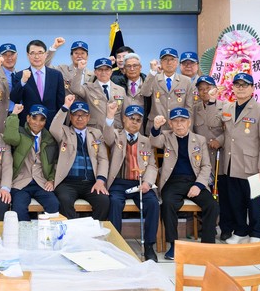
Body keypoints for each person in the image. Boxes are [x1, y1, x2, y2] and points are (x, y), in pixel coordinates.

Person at [150, 107, 218, 260]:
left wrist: (198, 185)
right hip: (172, 181)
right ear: (170, 124)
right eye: (175, 121)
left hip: (194, 181)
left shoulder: (199, 139)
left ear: (189, 122)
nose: (179, 124)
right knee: (168, 204)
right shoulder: (166, 136)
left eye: (182, 121)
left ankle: (208, 246)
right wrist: (156, 127)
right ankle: (174, 245)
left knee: (212, 205)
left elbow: (206, 166)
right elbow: (154, 141)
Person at [218, 73, 260, 245]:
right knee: (236, 201)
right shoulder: (227, 107)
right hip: (231, 163)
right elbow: (225, 132)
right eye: (237, 85)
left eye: (245, 85)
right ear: (233, 88)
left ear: (252, 88)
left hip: (251, 164)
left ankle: (256, 233)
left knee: (253, 202)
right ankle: (240, 230)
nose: (240, 88)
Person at [103, 104, 159, 262]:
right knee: (114, 202)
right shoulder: (116, 135)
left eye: (138, 120)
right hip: (119, 183)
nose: (134, 122)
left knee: (153, 203)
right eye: (131, 118)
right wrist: (110, 116)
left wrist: (148, 183)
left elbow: (152, 165)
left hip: (140, 183)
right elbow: (107, 136)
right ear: (124, 119)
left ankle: (149, 245)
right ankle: (115, 243)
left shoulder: (146, 141)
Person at [50, 95, 110, 220]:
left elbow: (103, 159)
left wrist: (100, 180)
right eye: (76, 115)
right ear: (70, 117)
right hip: (68, 182)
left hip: (91, 182)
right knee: (64, 200)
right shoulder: (64, 131)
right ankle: (72, 230)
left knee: (103, 201)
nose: (80, 118)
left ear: (88, 117)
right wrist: (66, 106)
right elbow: (53, 127)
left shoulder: (96, 133)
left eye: (83, 115)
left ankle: (94, 230)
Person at [3, 104, 60, 221]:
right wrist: (14, 115)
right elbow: (10, 138)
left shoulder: (49, 138)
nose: (37, 123)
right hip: (21, 182)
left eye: (41, 119)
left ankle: (46, 232)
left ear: (45, 122)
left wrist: (51, 179)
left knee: (54, 204)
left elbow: (54, 162)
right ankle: (25, 232)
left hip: (41, 183)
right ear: (28, 118)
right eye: (34, 118)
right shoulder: (20, 133)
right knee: (18, 209)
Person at [193, 75, 231, 240]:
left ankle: (226, 227)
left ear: (215, 89)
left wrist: (219, 141)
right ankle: (208, 226)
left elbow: (230, 130)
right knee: (205, 192)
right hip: (202, 158)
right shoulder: (195, 108)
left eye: (208, 88)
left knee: (223, 193)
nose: (204, 92)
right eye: (201, 89)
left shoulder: (225, 106)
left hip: (219, 155)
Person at [11, 40, 66, 129]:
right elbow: (14, 98)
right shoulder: (20, 75)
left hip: (51, 124)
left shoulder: (56, 75)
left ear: (46, 54)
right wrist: (23, 81)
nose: (36, 56)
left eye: (40, 53)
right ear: (28, 55)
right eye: (32, 53)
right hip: (28, 125)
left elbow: (60, 102)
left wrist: (61, 124)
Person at [141, 47, 194, 134]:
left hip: (178, 127)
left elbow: (189, 108)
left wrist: (188, 129)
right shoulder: (154, 78)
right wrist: (153, 72)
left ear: (177, 62)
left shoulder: (186, 81)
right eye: (165, 59)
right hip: (157, 127)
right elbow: (145, 93)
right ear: (161, 62)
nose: (169, 62)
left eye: (172, 59)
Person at [70, 58, 125, 129]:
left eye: (107, 69)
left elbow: (124, 113)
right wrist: (80, 70)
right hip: (95, 130)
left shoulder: (120, 90)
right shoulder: (88, 88)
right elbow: (75, 88)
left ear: (111, 72)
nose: (103, 72)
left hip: (115, 130)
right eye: (100, 70)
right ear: (95, 72)